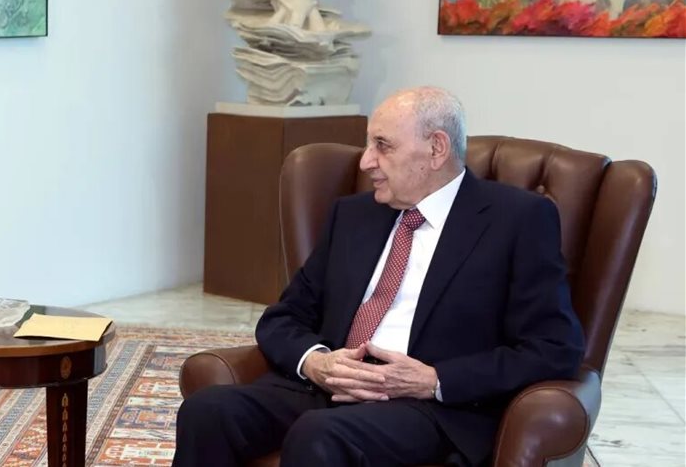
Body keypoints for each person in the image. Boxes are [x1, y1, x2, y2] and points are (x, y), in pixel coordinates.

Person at [173, 86, 583, 466]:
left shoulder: (517, 220)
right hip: (327, 388)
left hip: (428, 407)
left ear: (436, 148)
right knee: (207, 411)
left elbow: (555, 347)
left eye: (382, 146)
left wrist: (433, 379)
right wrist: (316, 362)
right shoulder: (353, 215)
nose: (366, 161)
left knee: (320, 434)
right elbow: (283, 317)